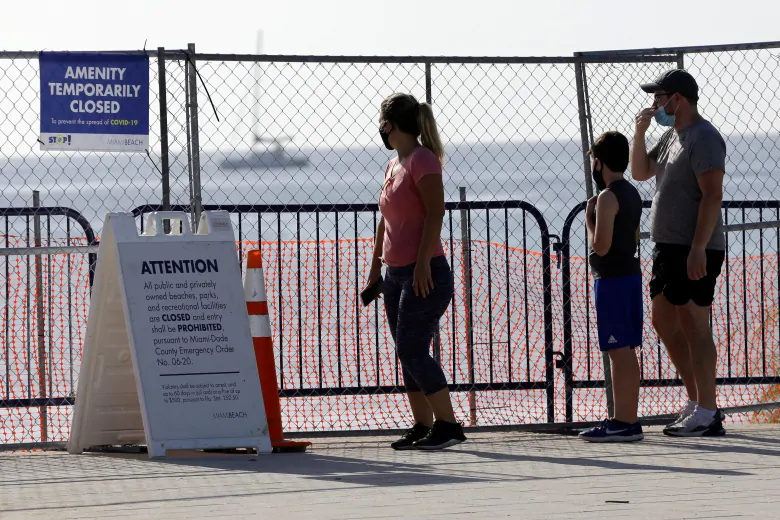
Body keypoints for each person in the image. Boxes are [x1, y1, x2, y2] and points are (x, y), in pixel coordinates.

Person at [364, 92, 466, 450]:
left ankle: (448, 425)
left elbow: (436, 212)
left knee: (412, 348)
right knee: (406, 349)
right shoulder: (395, 164)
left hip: (425, 272)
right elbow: (386, 221)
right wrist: (376, 270)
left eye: (382, 122)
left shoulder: (422, 159)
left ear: (390, 124)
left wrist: (423, 262)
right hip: (394, 274)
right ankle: (422, 423)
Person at [632, 69, 727, 437]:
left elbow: (712, 195)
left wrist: (699, 248)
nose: (655, 105)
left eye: (660, 98)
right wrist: (640, 133)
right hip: (667, 245)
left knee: (694, 325)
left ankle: (708, 410)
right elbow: (640, 172)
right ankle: (695, 400)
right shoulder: (671, 135)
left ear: (678, 100)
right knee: (663, 320)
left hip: (694, 247)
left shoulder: (704, 138)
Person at [578, 131, 645, 443]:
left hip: (613, 280)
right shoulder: (631, 193)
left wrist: (590, 219)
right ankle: (627, 417)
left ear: (600, 162)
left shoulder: (607, 197)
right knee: (626, 350)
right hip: (629, 275)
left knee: (618, 351)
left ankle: (624, 420)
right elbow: (631, 239)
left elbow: (601, 246)